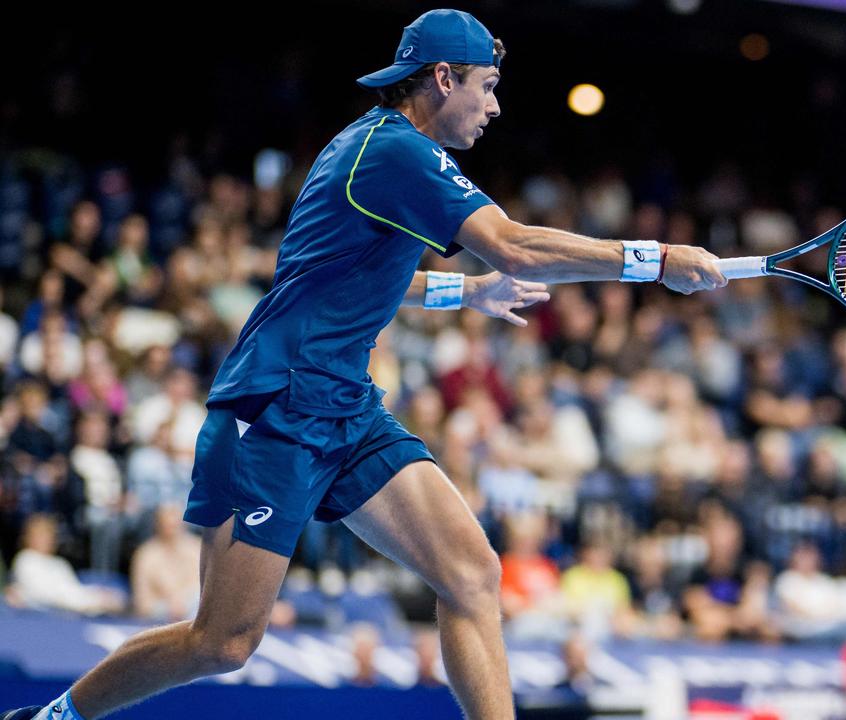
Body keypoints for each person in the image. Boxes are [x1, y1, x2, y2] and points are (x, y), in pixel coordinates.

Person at [4, 9, 725, 720]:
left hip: (346, 407)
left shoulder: (386, 155)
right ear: (443, 78)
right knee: (222, 642)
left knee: (471, 575)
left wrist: (467, 291)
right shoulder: (392, 151)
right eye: (488, 85)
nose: (496, 106)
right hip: (276, 407)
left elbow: (364, 277)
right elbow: (515, 245)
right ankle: (57, 717)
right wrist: (654, 260)